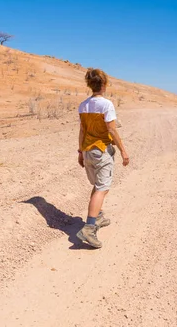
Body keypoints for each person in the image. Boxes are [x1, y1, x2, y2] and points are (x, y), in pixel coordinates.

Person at [76, 68, 129, 248]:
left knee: (97, 184)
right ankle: (89, 228)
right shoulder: (106, 105)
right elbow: (112, 129)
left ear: (89, 85)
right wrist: (123, 150)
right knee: (102, 188)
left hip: (87, 151)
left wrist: (80, 152)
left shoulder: (83, 105)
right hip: (101, 150)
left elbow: (82, 130)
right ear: (104, 85)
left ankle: (97, 216)